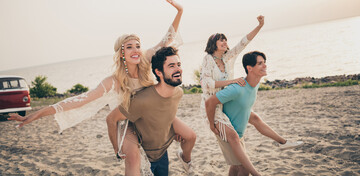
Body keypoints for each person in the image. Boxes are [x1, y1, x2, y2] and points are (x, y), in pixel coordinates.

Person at [8, 0, 190, 176]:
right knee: (133, 158)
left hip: (151, 116)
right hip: (128, 121)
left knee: (186, 138)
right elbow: (77, 101)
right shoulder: (114, 80)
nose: (135, 50)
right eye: (129, 47)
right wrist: (32, 116)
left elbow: (168, 38)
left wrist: (179, 10)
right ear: (121, 53)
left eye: (137, 45)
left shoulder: (146, 59)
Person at [200, 16, 303, 157]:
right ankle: (281, 143)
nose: (225, 42)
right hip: (215, 104)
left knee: (255, 118)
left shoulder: (227, 57)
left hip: (230, 98)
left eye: (225, 39)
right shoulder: (208, 59)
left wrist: (260, 26)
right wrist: (232, 82)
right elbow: (206, 84)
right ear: (213, 43)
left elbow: (244, 43)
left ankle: (283, 142)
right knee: (238, 148)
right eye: (221, 39)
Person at [206, 51, 302, 176]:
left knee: (236, 167)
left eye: (264, 62)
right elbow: (209, 102)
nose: (265, 66)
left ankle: (283, 142)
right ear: (249, 68)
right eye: (260, 63)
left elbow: (250, 115)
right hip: (227, 134)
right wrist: (212, 125)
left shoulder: (254, 85)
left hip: (238, 134)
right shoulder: (236, 89)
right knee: (244, 169)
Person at [108, 46, 196, 176]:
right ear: (159, 72)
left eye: (178, 64)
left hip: (162, 153)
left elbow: (165, 112)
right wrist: (117, 148)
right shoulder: (142, 100)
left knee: (191, 136)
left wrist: (175, 130)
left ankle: (185, 159)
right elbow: (111, 119)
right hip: (145, 157)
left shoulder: (178, 93)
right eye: (171, 66)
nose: (178, 69)